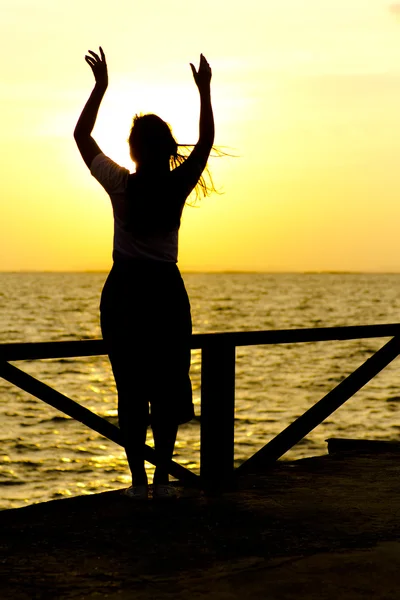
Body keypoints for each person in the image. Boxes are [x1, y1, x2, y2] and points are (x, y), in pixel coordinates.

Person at [74, 47, 215, 499]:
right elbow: (207, 142)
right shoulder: (176, 185)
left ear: (134, 150)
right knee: (166, 390)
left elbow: (81, 136)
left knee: (131, 390)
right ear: (167, 150)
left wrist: (99, 89)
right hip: (165, 295)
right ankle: (158, 481)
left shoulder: (120, 183)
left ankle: (138, 483)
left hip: (125, 294)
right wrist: (205, 92)